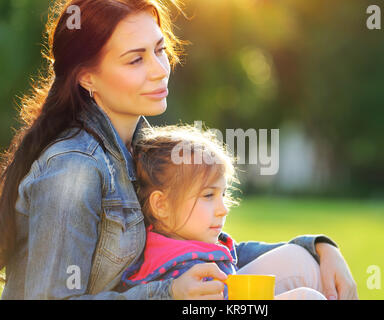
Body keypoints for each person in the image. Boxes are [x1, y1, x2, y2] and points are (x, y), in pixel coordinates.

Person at [0, 0, 357, 300]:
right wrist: (168, 292)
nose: (159, 70)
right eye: (135, 59)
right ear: (87, 77)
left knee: (303, 265)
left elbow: (197, 250)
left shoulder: (139, 150)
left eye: (159, 50)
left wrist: (320, 247)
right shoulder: (73, 169)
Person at [120, 125, 327, 300]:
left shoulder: (186, 244)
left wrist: (319, 248)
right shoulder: (179, 269)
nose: (223, 209)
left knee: (300, 258)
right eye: (208, 195)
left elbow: (243, 250)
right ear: (161, 205)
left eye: (223, 194)